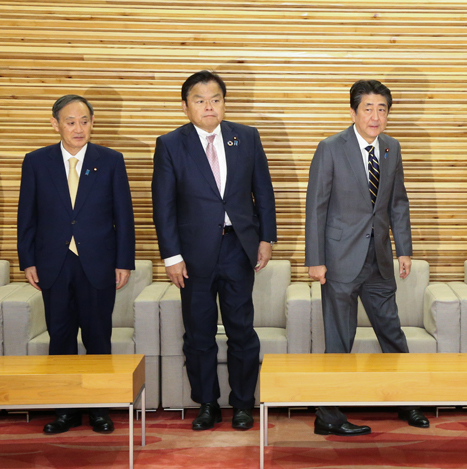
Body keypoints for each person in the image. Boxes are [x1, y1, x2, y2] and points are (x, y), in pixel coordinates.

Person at [152, 70, 277, 431]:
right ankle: (207, 403)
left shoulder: (246, 137)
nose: (209, 106)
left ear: (224, 103)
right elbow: (163, 206)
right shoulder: (170, 144)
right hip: (192, 256)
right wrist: (172, 256)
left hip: (238, 247)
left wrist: (266, 238)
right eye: (200, 100)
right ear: (185, 106)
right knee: (199, 333)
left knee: (241, 329)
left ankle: (242, 403)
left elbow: (263, 191)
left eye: (215, 99)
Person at [305, 79, 430, 436]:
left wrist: (404, 249)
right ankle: (328, 416)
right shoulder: (331, 148)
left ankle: (406, 401)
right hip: (339, 260)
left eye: (382, 109)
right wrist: (315, 259)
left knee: (392, 333)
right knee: (338, 340)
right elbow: (316, 206)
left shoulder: (391, 148)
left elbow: (398, 202)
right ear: (353, 112)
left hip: (379, 260)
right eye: (368, 109)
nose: (375, 116)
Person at [17, 94, 136, 434]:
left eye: (84, 121)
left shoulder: (110, 160)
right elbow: (27, 215)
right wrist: (28, 260)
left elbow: (123, 216)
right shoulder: (36, 161)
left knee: (98, 336)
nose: (78, 128)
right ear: (55, 124)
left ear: (92, 123)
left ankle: (99, 409)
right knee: (60, 336)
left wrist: (123, 261)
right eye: (70, 122)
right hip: (53, 262)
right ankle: (65, 410)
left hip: (98, 262)